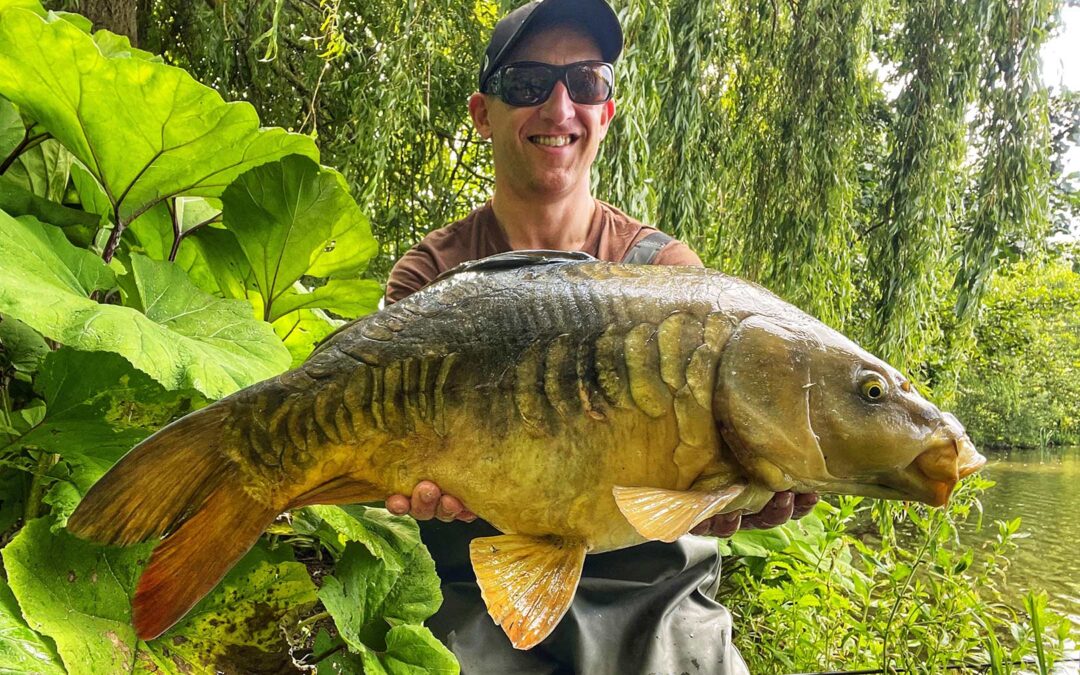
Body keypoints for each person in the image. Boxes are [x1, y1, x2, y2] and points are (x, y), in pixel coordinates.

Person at [382, 0, 818, 671]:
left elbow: (706, 493)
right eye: (527, 84)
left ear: (606, 113)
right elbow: (392, 458)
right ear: (481, 112)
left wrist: (738, 494)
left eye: (585, 84)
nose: (559, 109)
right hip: (472, 572)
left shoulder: (670, 276)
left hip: (651, 592)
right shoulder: (431, 274)